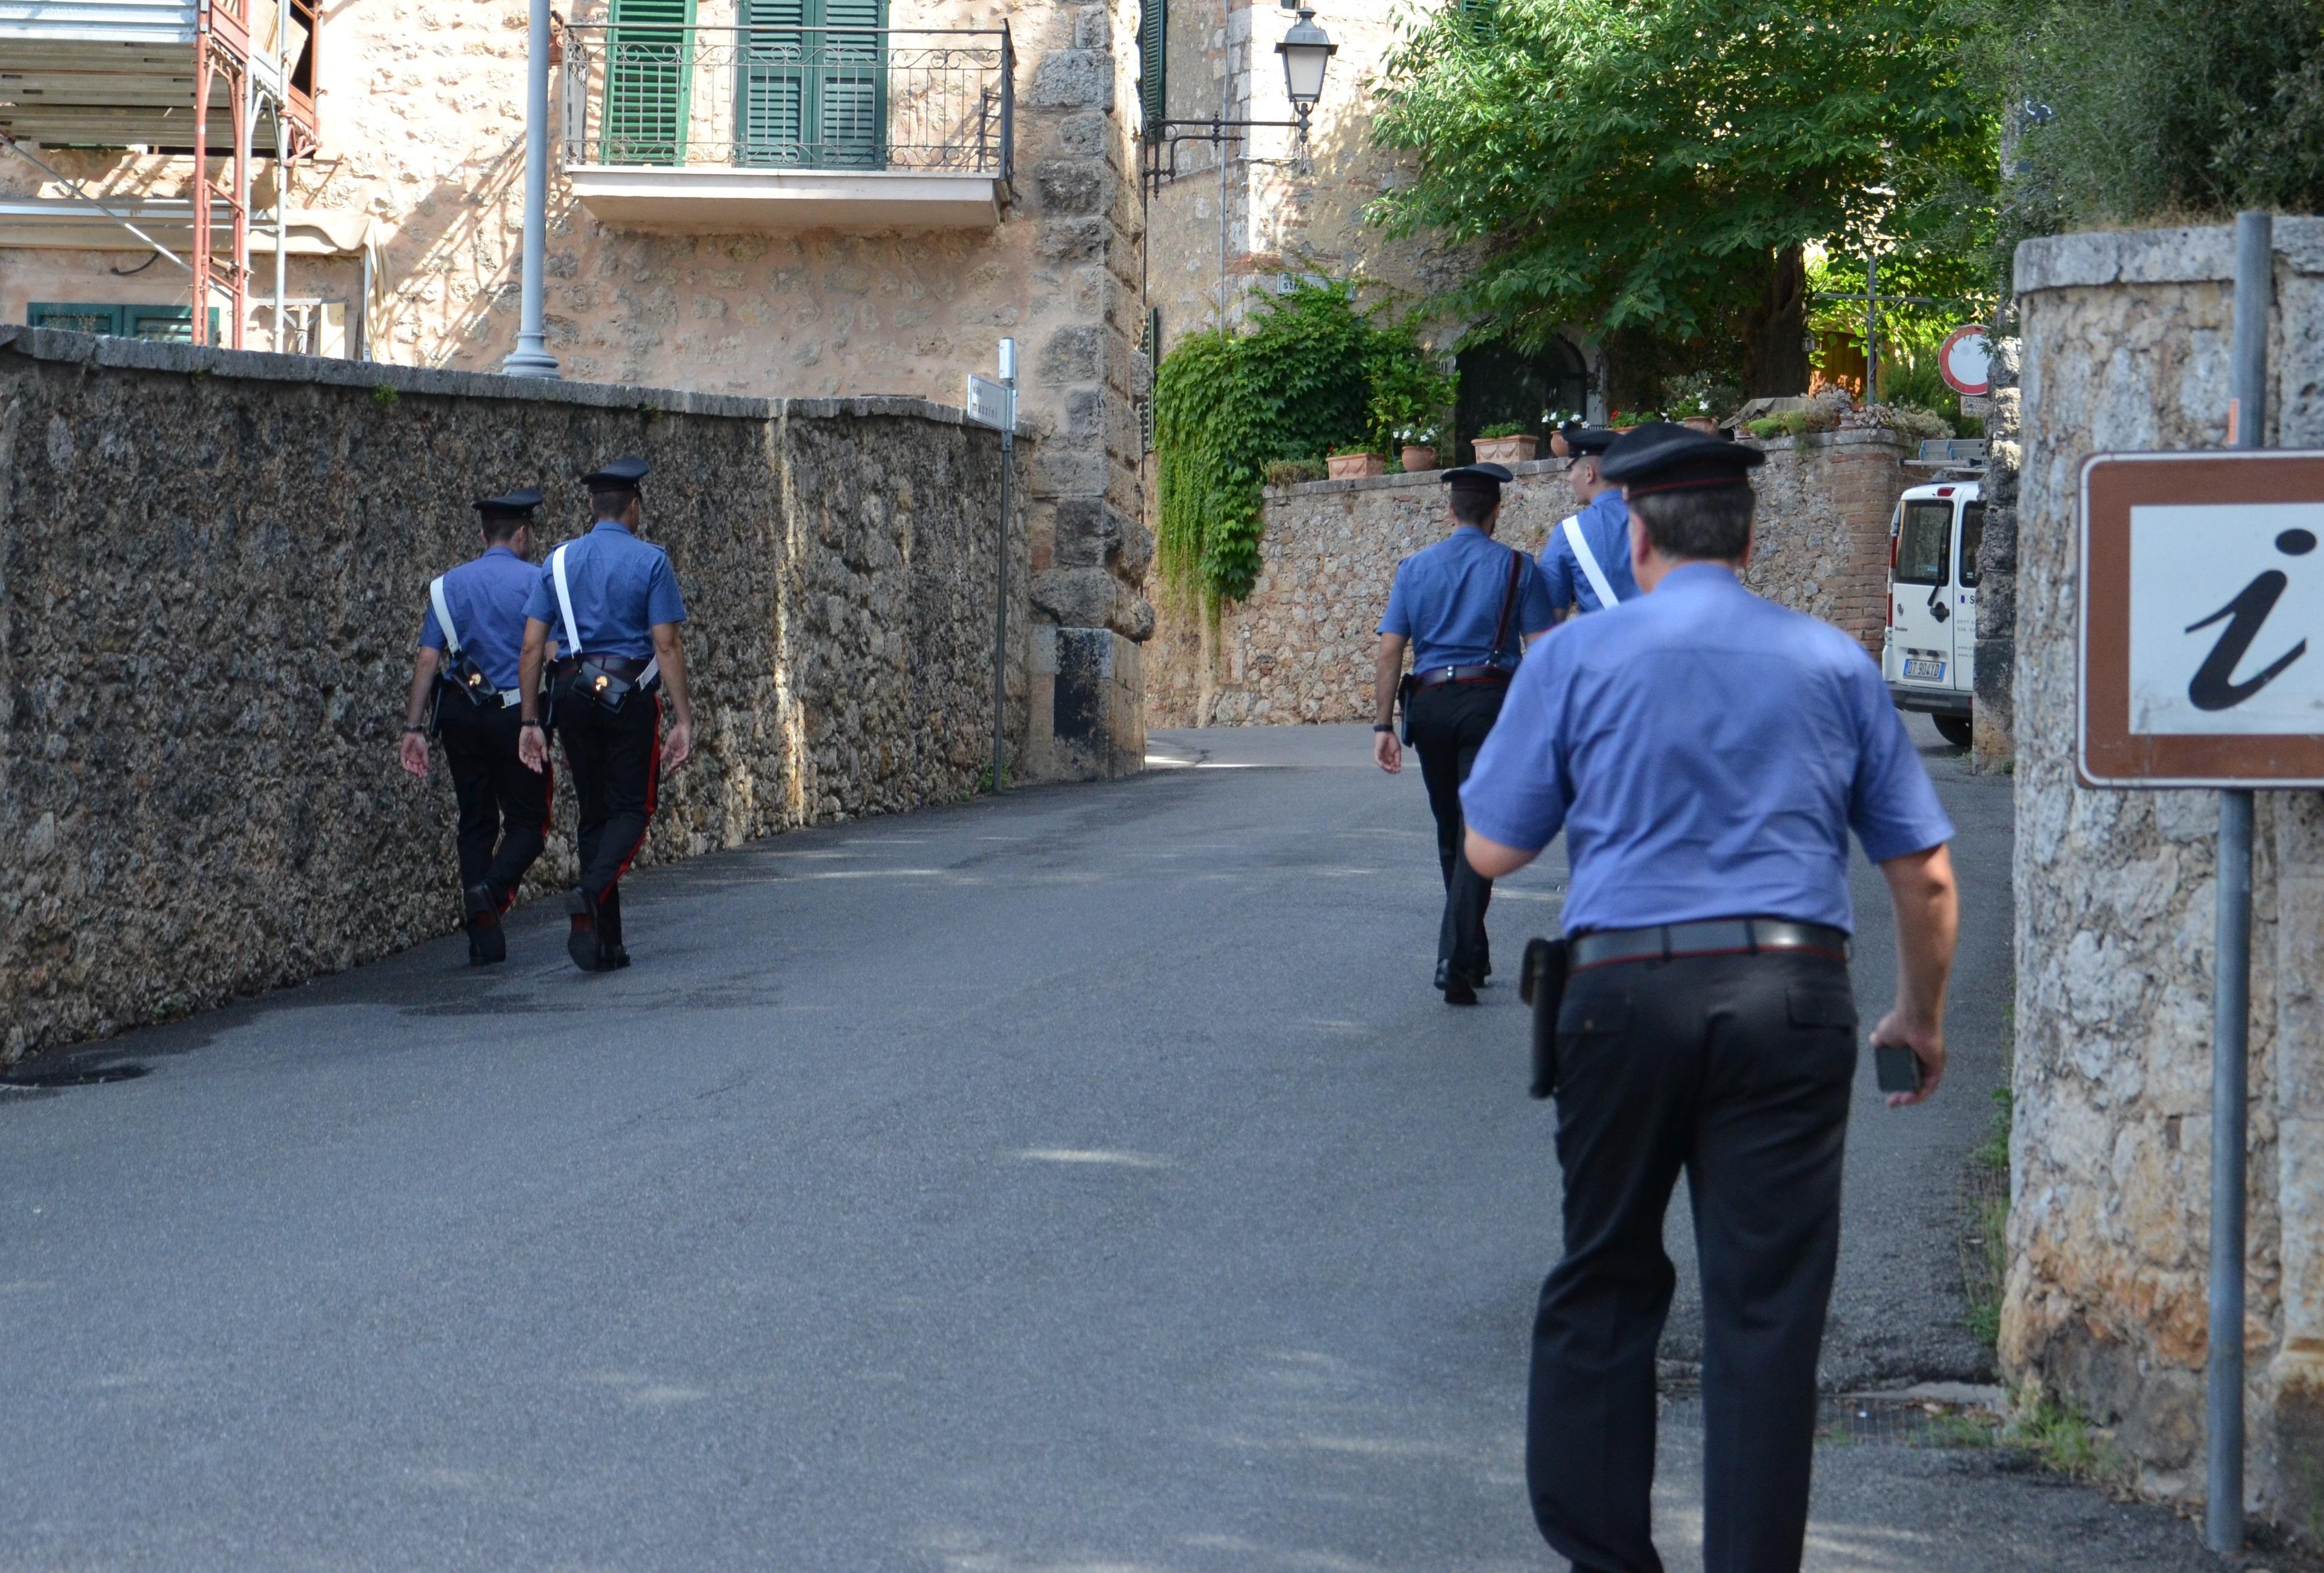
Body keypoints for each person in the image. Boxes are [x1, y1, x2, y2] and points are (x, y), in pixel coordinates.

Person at [1458, 422, 1959, 1573]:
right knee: (1766, 1310)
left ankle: (1607, 1559)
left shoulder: (1574, 661)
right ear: (1748, 535)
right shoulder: (1833, 662)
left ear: (1632, 534)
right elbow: (1922, 870)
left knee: (1603, 1278)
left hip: (1620, 995)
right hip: (1790, 992)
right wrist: (1915, 1014)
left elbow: (1490, 848)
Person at [1372, 461, 1557, 1005]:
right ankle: (1455, 955)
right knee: (1476, 829)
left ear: (1450, 510)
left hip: (1427, 707)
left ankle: (1470, 954)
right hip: (1489, 705)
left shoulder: (1413, 568)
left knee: (1452, 828)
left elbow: (1389, 651)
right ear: (1495, 513)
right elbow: (1543, 652)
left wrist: (1383, 724)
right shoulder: (1520, 569)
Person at [515, 455, 696, 973]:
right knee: (633, 809)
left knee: (593, 812)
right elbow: (666, 644)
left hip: (570, 695)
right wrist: (683, 719)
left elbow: (531, 648)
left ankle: (605, 943)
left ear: (592, 506)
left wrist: (531, 722)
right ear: (633, 508)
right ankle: (590, 893)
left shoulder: (555, 562)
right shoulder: (652, 562)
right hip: (629, 699)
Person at [397, 486, 555, 965]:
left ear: (483, 534)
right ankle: (491, 890)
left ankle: (482, 937)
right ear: (523, 533)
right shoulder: (539, 581)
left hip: (461, 715)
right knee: (529, 821)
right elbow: (548, 653)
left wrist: (413, 728)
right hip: (515, 714)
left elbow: (429, 658)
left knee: (476, 820)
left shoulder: (447, 586)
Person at [1536, 424, 1639, 619]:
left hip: (1601, 647)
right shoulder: (1654, 518)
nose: (1569, 478)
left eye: (1572, 469)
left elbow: (1552, 617)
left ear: (1590, 472)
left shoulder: (1568, 533)